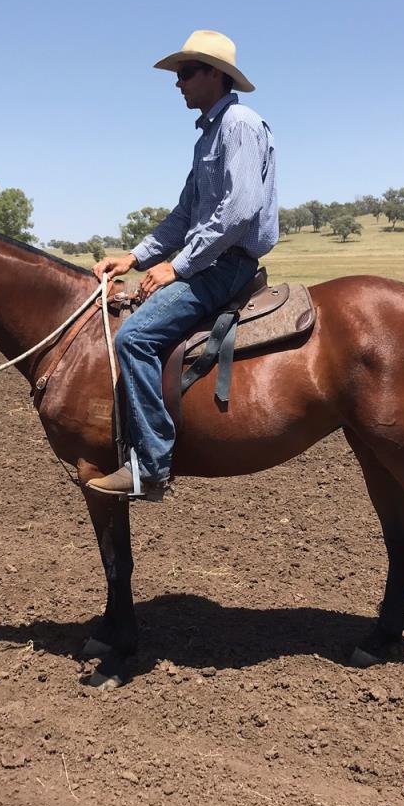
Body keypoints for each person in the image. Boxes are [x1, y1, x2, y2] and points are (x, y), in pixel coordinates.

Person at [87, 30, 278, 498]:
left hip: (225, 265)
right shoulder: (208, 135)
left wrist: (178, 267)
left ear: (216, 74)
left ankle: (150, 465)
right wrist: (134, 257)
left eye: (186, 72)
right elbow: (183, 216)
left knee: (133, 337)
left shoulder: (239, 124)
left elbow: (240, 210)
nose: (178, 83)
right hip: (211, 260)